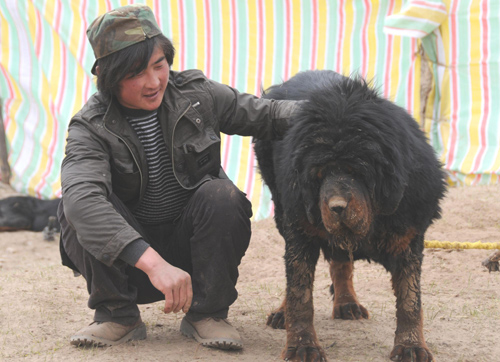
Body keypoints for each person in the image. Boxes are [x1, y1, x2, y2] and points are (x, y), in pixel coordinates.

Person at [58, 4, 297, 351]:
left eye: (159, 65)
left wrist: (337, 110)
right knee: (73, 206)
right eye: (137, 73)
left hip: (194, 256)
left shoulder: (197, 96)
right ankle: (117, 315)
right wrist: (153, 264)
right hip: (132, 264)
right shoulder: (89, 127)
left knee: (222, 195)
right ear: (110, 78)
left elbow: (269, 115)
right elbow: (83, 200)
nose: (154, 81)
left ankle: (208, 313)